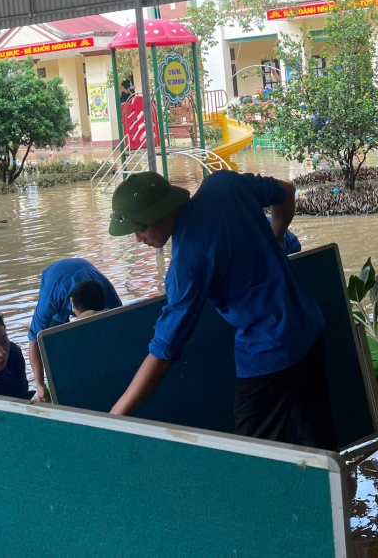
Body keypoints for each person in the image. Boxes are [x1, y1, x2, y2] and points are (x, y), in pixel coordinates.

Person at [107, 170, 334, 449]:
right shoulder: (223, 184)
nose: (138, 238)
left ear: (163, 212)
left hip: (267, 353)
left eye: (140, 228)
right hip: (308, 327)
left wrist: (116, 415)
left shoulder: (186, 264)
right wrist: (275, 240)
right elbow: (286, 192)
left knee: (253, 459)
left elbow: (164, 352)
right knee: (320, 444)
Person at [27, 258, 122, 401]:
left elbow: (120, 329)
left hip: (85, 271)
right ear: (71, 303)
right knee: (53, 342)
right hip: (55, 277)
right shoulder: (50, 301)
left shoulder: (109, 295)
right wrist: (39, 385)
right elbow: (34, 341)